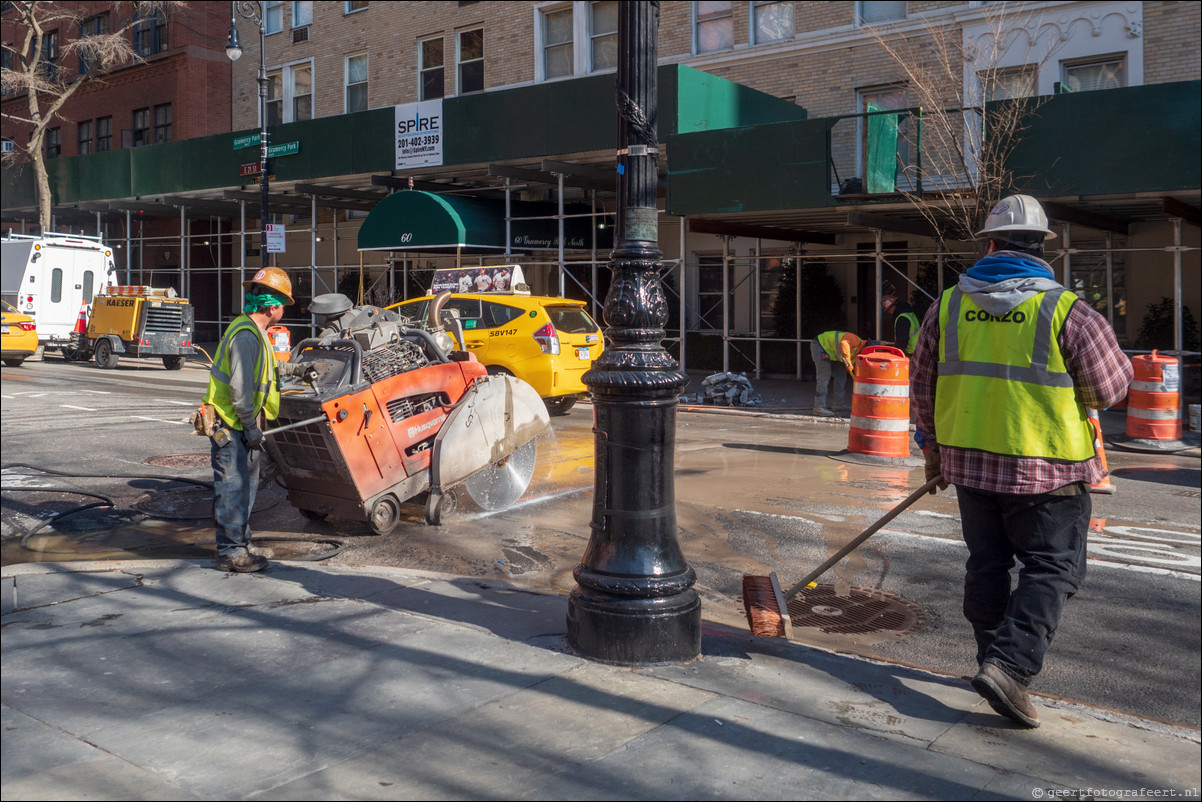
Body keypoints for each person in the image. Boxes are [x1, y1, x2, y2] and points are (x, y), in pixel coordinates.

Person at [910, 194, 1132, 728]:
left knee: (987, 565)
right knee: (1054, 567)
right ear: (1042, 249)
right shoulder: (1067, 310)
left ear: (989, 244)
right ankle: (1009, 667)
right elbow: (1110, 388)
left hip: (969, 466)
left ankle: (993, 662)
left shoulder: (946, 306)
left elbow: (921, 385)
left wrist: (932, 449)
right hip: (1047, 469)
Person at [202, 267, 295, 573]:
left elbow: (263, 371)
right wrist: (252, 427)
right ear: (272, 307)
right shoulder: (246, 336)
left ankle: (241, 542)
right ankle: (230, 552)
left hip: (241, 425)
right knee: (233, 488)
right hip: (233, 426)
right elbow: (241, 389)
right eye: (283, 305)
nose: (284, 310)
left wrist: (294, 372)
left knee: (246, 488)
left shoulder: (254, 332)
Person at [810, 330, 865, 416]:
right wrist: (848, 361)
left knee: (841, 376)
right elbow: (844, 343)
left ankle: (838, 404)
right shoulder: (855, 340)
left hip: (834, 354)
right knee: (824, 376)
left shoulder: (858, 355)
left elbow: (854, 368)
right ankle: (819, 406)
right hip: (821, 346)